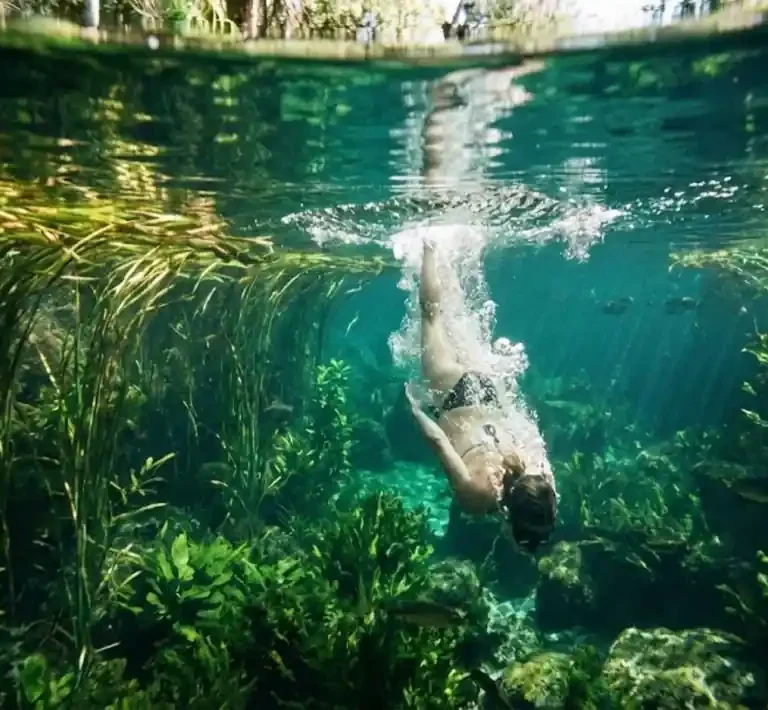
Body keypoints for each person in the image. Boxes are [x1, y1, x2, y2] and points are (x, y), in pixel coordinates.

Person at [404, 240, 558, 553]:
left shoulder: (543, 482)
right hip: (452, 398)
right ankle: (432, 244)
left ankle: (452, 248)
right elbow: (438, 442)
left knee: (459, 318)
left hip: (490, 391)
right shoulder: (477, 498)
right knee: (431, 316)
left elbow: (532, 433)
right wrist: (416, 409)